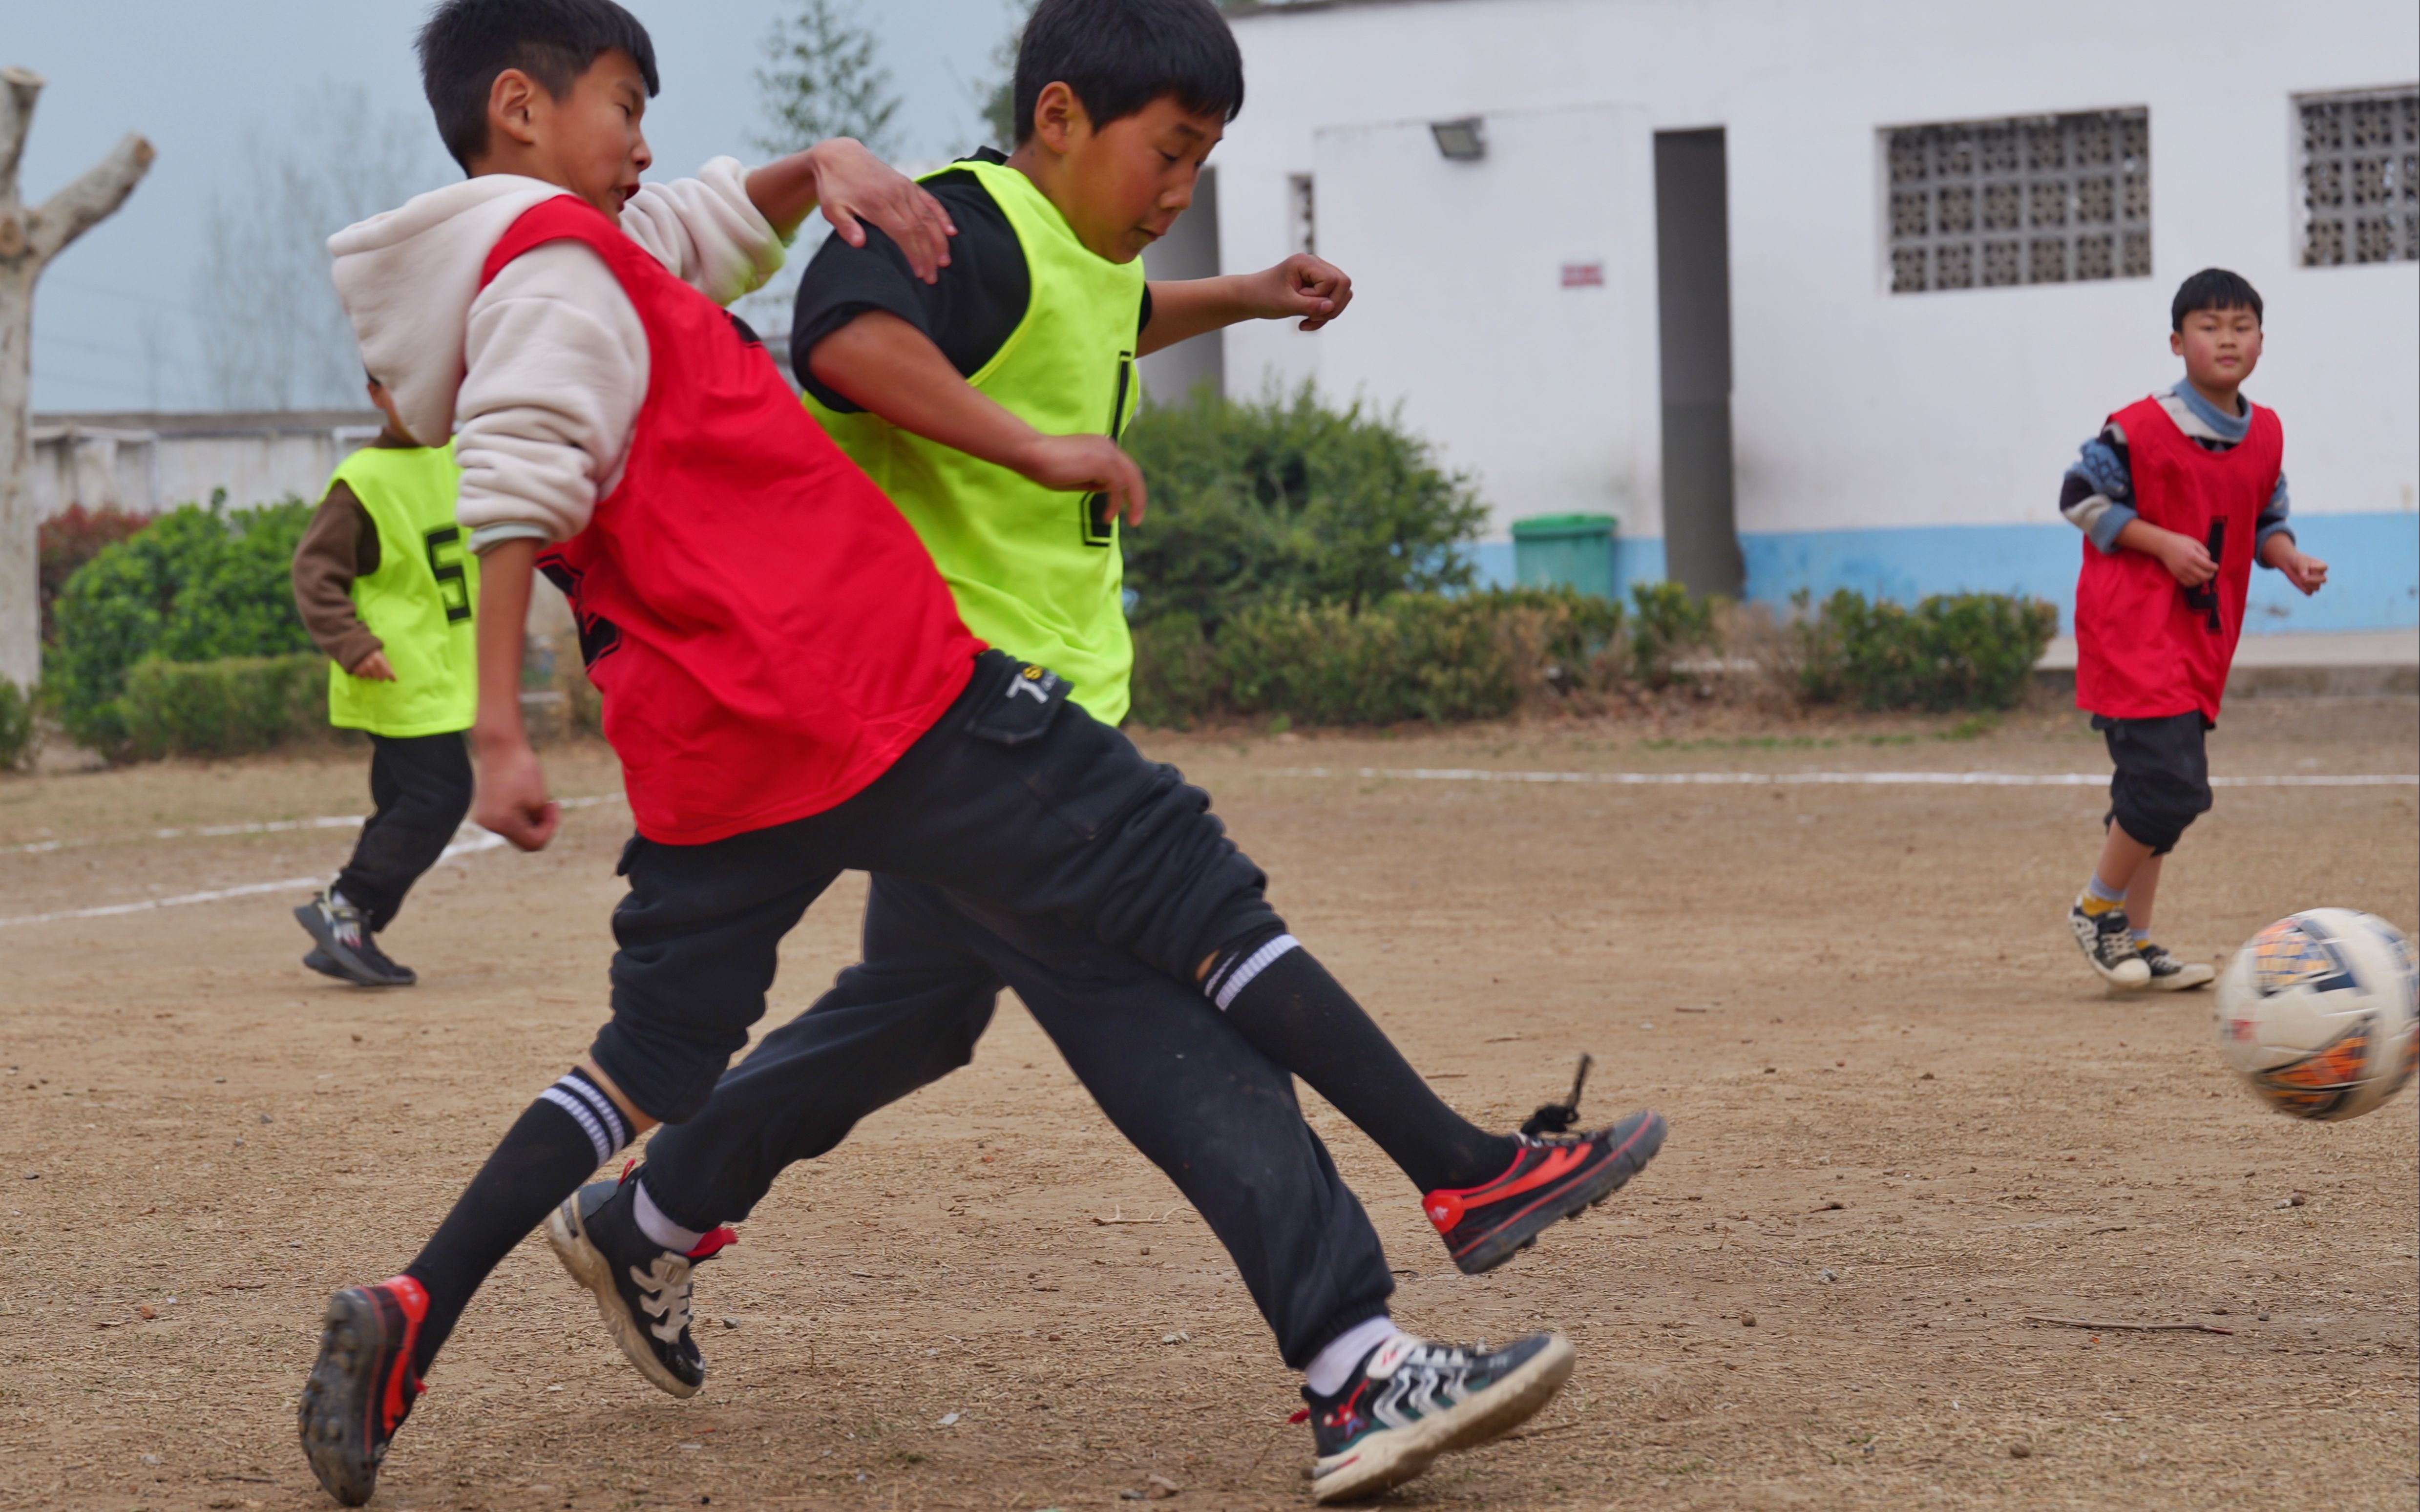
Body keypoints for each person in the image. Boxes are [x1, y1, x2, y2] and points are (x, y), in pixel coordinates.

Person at [295, 3, 1617, 1504]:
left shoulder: (582, 253)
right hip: (869, 692)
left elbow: (704, 222)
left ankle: (428, 1302)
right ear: (522, 110)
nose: (648, 137)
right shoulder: (562, 278)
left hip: (727, 754)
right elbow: (529, 466)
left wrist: (820, 162)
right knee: (1172, 894)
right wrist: (491, 728)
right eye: (621, 101)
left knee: (668, 1055)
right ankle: (1405, 1271)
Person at [2061, 267, 2328, 989]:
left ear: (2261, 342)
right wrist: (2159, 543)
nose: (2226, 340)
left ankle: (2135, 940)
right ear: (2177, 342)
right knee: (2168, 789)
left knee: (2149, 795)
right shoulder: (2138, 427)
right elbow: (2078, 498)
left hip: (2198, 642)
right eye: (2208, 328)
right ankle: (2093, 910)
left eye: (2240, 327)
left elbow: (2262, 521)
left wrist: (2287, 559)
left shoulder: (2264, 432)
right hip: (2131, 634)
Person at [288, 375, 475, 987]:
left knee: (402, 801)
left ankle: (352, 927)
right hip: (394, 672)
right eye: (406, 386)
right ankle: (346, 905)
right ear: (376, 394)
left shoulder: (456, 456)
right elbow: (315, 575)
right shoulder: (362, 481)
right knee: (439, 795)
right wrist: (353, 644)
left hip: (441, 674)